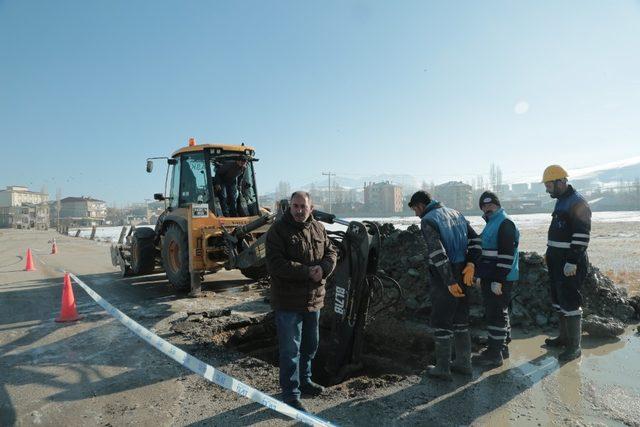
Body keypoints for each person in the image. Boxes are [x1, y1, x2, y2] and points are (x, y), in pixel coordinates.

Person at [265, 191, 338, 411]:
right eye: (295, 206)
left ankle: (305, 381)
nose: (298, 210)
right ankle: (290, 393)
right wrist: (308, 272)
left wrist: (324, 268)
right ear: (289, 207)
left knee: (310, 345)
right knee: (290, 350)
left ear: (310, 208)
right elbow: (276, 264)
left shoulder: (318, 228)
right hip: (288, 302)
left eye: (302, 207)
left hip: (313, 301)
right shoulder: (278, 231)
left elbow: (331, 251)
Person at [408, 191, 481, 380]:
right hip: (464, 271)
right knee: (461, 319)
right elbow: (476, 240)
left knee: (441, 319)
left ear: (421, 205)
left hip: (444, 275)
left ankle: (442, 368)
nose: (416, 214)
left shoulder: (429, 220)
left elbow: (438, 253)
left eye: (415, 209)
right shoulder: (457, 213)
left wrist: (449, 281)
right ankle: (464, 364)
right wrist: (472, 264)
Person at [542, 165, 591, 361]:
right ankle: (563, 338)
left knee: (570, 301)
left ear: (561, 181)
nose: (547, 189)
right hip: (556, 261)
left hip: (570, 263)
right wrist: (549, 253)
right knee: (559, 299)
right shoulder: (561, 201)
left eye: (549, 184)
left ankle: (574, 347)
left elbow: (581, 235)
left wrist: (572, 261)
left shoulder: (577, 202)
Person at [471, 191, 519, 368]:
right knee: (500, 311)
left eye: (490, 204)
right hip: (492, 276)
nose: (487, 207)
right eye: (483, 205)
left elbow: (506, 255)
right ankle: (501, 347)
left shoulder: (504, 223)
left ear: (498, 205)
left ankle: (494, 354)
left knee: (495, 313)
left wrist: (498, 280)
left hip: (499, 278)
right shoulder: (492, 223)